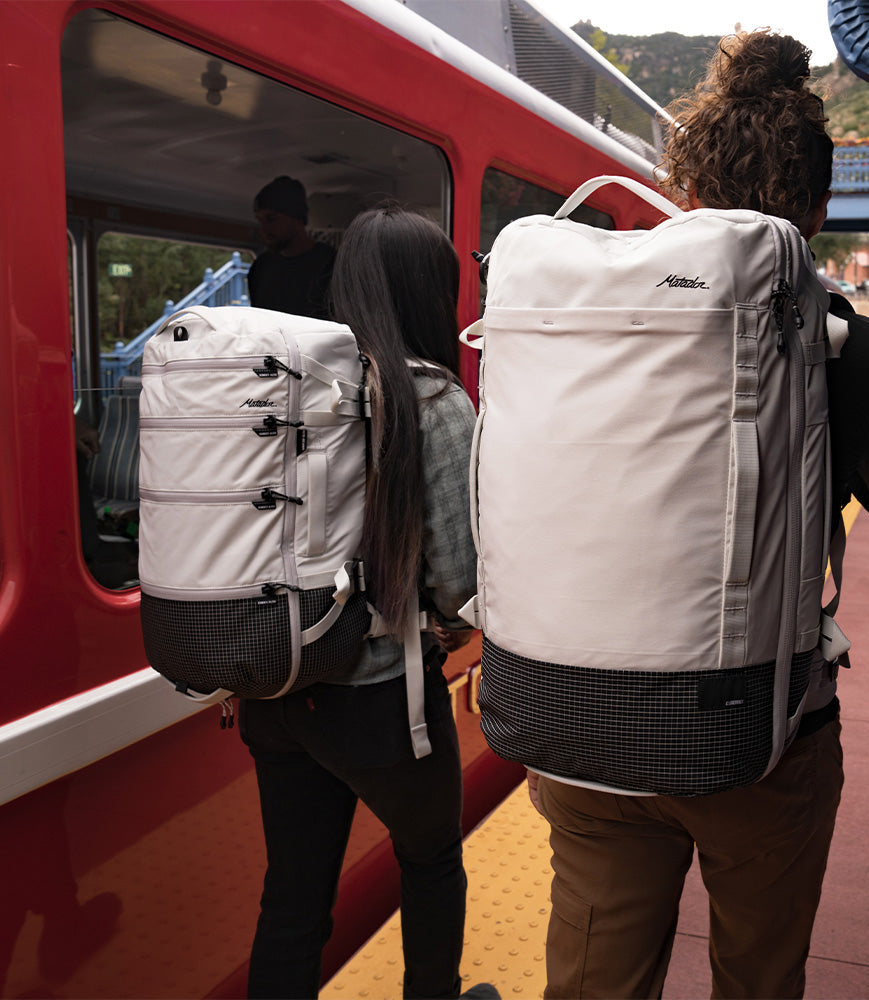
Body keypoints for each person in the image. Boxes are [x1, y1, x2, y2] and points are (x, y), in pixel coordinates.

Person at [530, 31, 869, 1000]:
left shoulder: (596, 317)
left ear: (688, 186)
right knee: (758, 979)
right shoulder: (856, 343)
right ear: (817, 202)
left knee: (591, 982)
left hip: (581, 729)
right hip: (758, 740)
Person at [239, 204, 491, 1000]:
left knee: (293, 898)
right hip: (382, 698)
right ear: (429, 294)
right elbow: (459, 581)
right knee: (429, 863)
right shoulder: (435, 402)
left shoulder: (279, 390)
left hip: (274, 689)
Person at [248, 175, 337, 318]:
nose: (263, 229)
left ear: (297, 218)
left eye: (271, 219)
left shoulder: (330, 265)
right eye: (260, 220)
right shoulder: (261, 268)